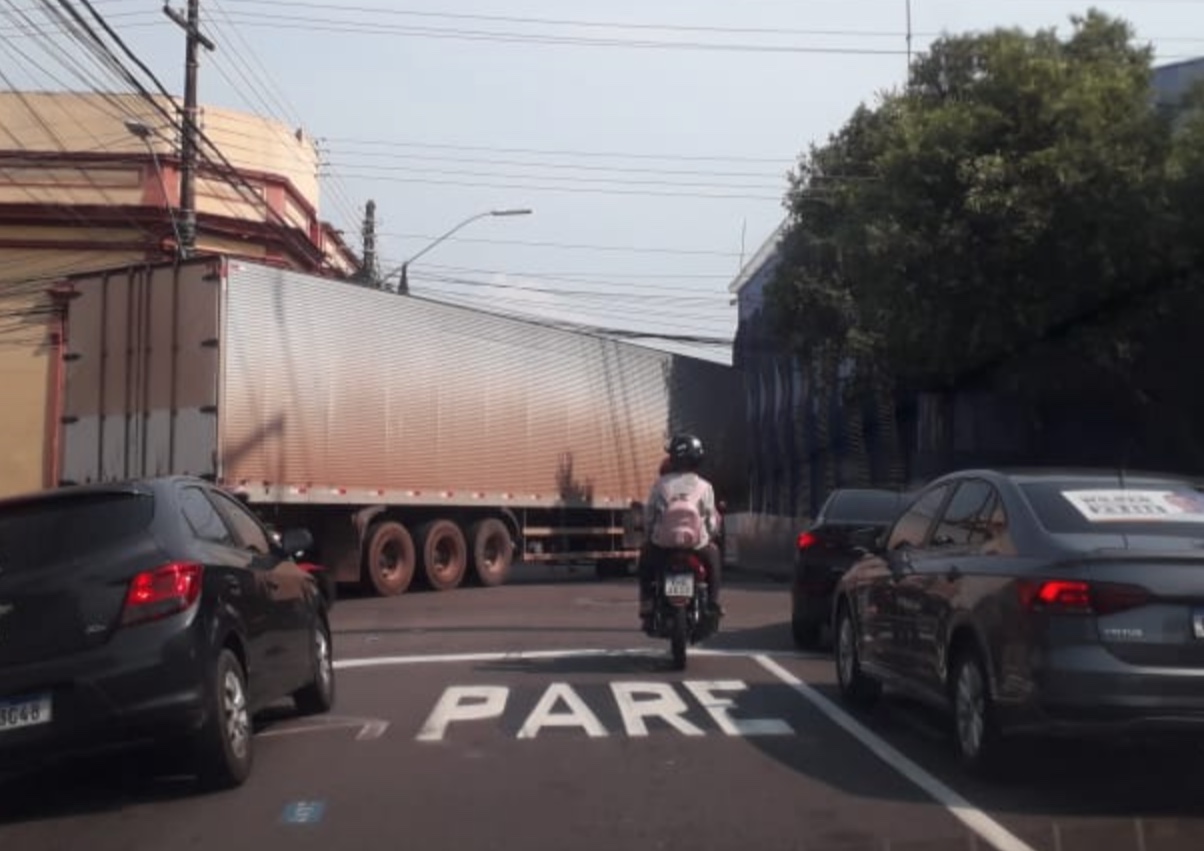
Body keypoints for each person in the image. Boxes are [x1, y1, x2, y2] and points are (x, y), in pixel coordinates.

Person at [638, 433, 724, 628]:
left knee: (645, 558)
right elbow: (710, 520)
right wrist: (710, 535)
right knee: (714, 557)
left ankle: (647, 601)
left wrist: (649, 534)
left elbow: (650, 515)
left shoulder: (660, 484)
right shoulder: (705, 487)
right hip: (696, 544)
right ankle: (713, 602)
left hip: (663, 544)